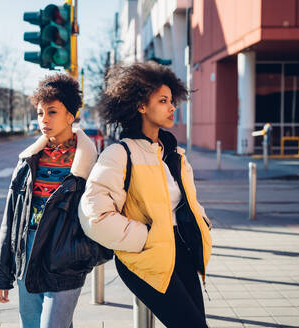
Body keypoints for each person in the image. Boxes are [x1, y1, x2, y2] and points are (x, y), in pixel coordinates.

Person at [78, 62, 213, 328]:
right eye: (163, 100)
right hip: (145, 258)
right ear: (141, 105)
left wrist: (203, 227)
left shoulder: (174, 154)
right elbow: (94, 214)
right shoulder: (120, 153)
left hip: (180, 253)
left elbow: (190, 204)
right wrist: (144, 238)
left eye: (172, 100)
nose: (172, 107)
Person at [0, 73, 112, 328]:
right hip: (27, 254)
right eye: (39, 113)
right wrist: (2, 274)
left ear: (71, 115)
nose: (44, 119)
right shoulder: (27, 161)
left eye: (52, 112)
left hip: (65, 259)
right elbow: (10, 219)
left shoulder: (91, 163)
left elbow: (105, 212)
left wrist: (82, 255)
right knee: (32, 324)